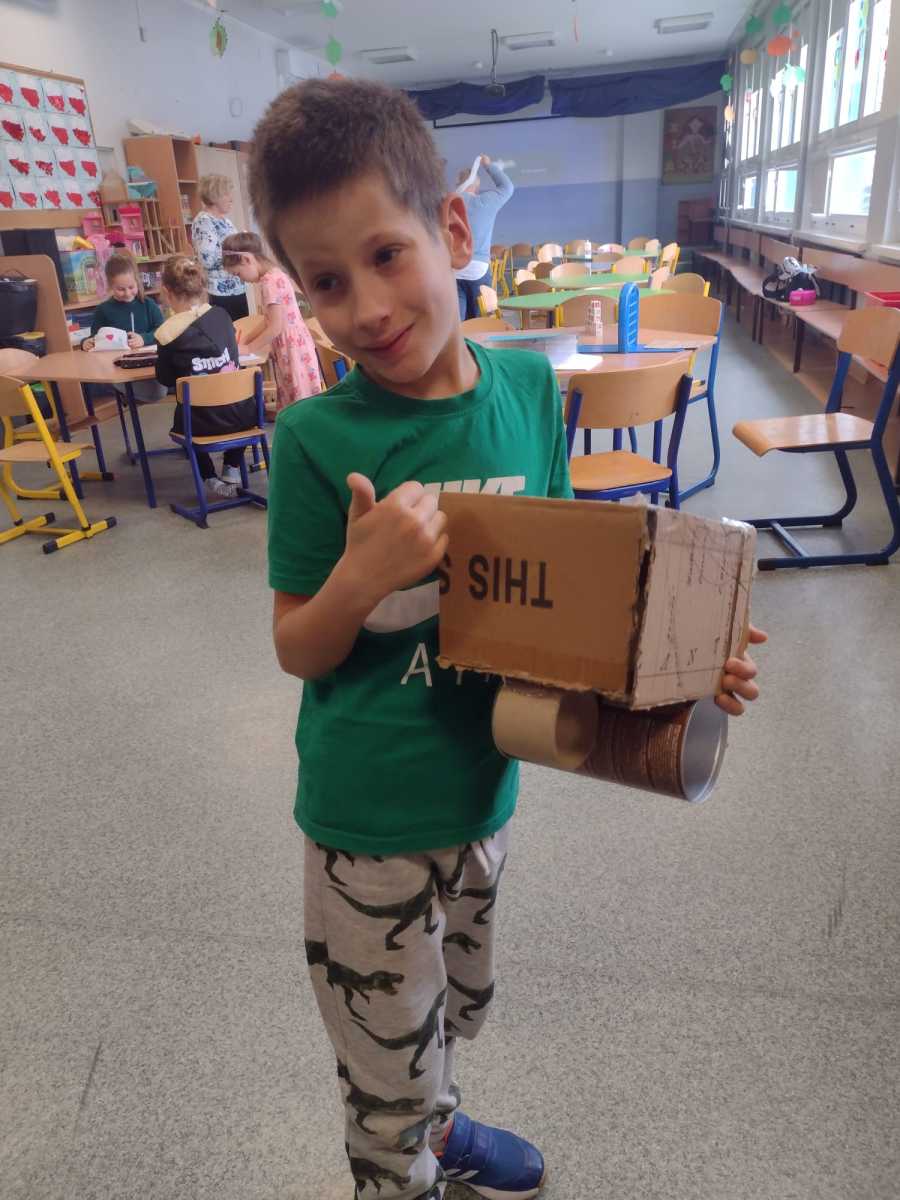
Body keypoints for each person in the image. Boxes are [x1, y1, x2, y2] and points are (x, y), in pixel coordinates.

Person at [250, 77, 765, 1200]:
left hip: (485, 791)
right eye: (327, 283)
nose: (366, 308)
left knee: (452, 1007)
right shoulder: (316, 437)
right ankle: (402, 1159)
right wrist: (359, 576)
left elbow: (577, 603)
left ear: (452, 229)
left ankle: (438, 1125)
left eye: (386, 255)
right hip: (368, 819)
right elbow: (299, 647)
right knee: (383, 1058)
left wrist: (683, 671)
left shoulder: (529, 393)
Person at [155, 254, 256, 498]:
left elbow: (165, 379)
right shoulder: (223, 316)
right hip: (243, 418)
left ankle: (209, 476)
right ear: (201, 287)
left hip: (199, 425)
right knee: (242, 405)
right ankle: (232, 466)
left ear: (166, 291)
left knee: (187, 412)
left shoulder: (166, 333)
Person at [221, 231, 323, 414]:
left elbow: (275, 327)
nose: (241, 279)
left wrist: (249, 348)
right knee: (297, 400)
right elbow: (268, 320)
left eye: (238, 274)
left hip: (292, 350)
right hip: (292, 347)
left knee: (300, 404)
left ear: (246, 259)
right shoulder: (274, 276)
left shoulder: (269, 282)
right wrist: (246, 340)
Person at [81, 251, 167, 403]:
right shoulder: (103, 310)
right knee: (154, 392)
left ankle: (128, 395)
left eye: (131, 287)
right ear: (110, 286)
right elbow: (95, 337)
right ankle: (123, 392)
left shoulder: (148, 304)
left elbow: (162, 331)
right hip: (119, 368)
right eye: (120, 289)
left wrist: (144, 338)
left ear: (137, 281)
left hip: (148, 366)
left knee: (159, 391)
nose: (127, 293)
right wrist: (86, 343)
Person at [454, 154, 513, 320]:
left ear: (458, 184)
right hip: (479, 268)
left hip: (454, 269)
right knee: (481, 321)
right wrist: (488, 165)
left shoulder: (448, 202)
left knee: (458, 323)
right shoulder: (487, 201)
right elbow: (507, 187)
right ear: (477, 186)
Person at [191, 174, 249, 320]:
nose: (231, 199)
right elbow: (207, 260)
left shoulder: (226, 221)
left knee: (242, 328)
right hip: (219, 293)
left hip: (237, 287)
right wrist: (237, 252)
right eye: (227, 194)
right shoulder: (203, 221)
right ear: (214, 196)